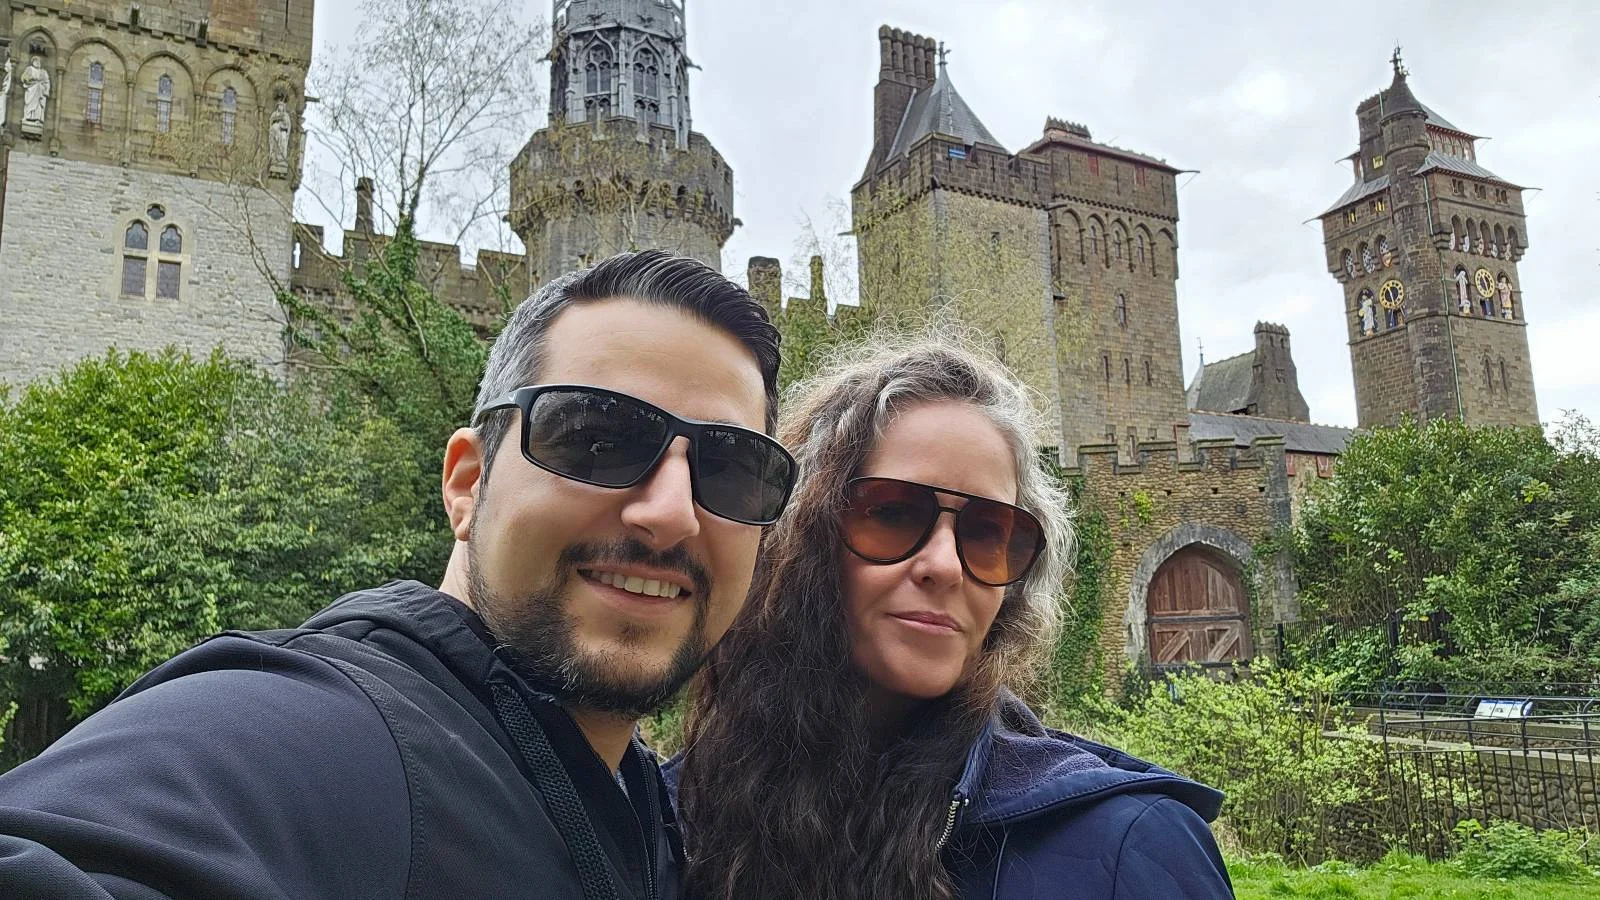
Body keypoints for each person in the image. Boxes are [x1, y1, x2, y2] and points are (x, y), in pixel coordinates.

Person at [0, 250, 795, 899]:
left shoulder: (651, 813)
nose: (670, 513)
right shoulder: (325, 737)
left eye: (732, 469)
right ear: (467, 482)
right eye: (595, 439)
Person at [670, 332, 1233, 899]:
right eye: (890, 513)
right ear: (801, 538)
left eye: (988, 532)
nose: (945, 566)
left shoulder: (1131, 850)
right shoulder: (669, 820)